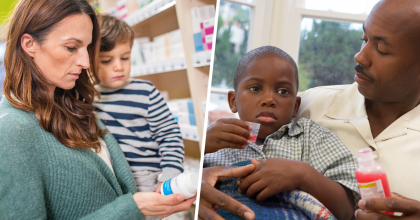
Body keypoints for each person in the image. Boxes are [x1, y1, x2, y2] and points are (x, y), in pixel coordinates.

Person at [199, 0, 420, 219]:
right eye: (364, 39)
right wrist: (195, 185)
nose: (359, 56)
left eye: (381, 49)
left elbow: (347, 206)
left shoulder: (311, 135)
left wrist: (304, 175)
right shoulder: (312, 103)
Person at [0, 0, 194, 219]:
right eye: (72, 47)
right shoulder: (11, 130)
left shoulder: (75, 103)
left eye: (88, 48)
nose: (85, 62)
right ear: (29, 44)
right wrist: (131, 209)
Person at [203, 46, 358, 220]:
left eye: (283, 91)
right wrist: (204, 146)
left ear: (295, 107)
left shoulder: (313, 137)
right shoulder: (213, 139)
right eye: (255, 88)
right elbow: (183, 186)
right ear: (233, 101)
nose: (269, 100)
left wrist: (303, 175)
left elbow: (347, 210)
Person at [93, 15, 184, 195]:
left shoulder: (145, 91)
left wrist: (169, 176)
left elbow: (169, 134)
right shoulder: (90, 98)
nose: (118, 66)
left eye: (125, 58)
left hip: (146, 178)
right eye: (106, 60)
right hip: (111, 179)